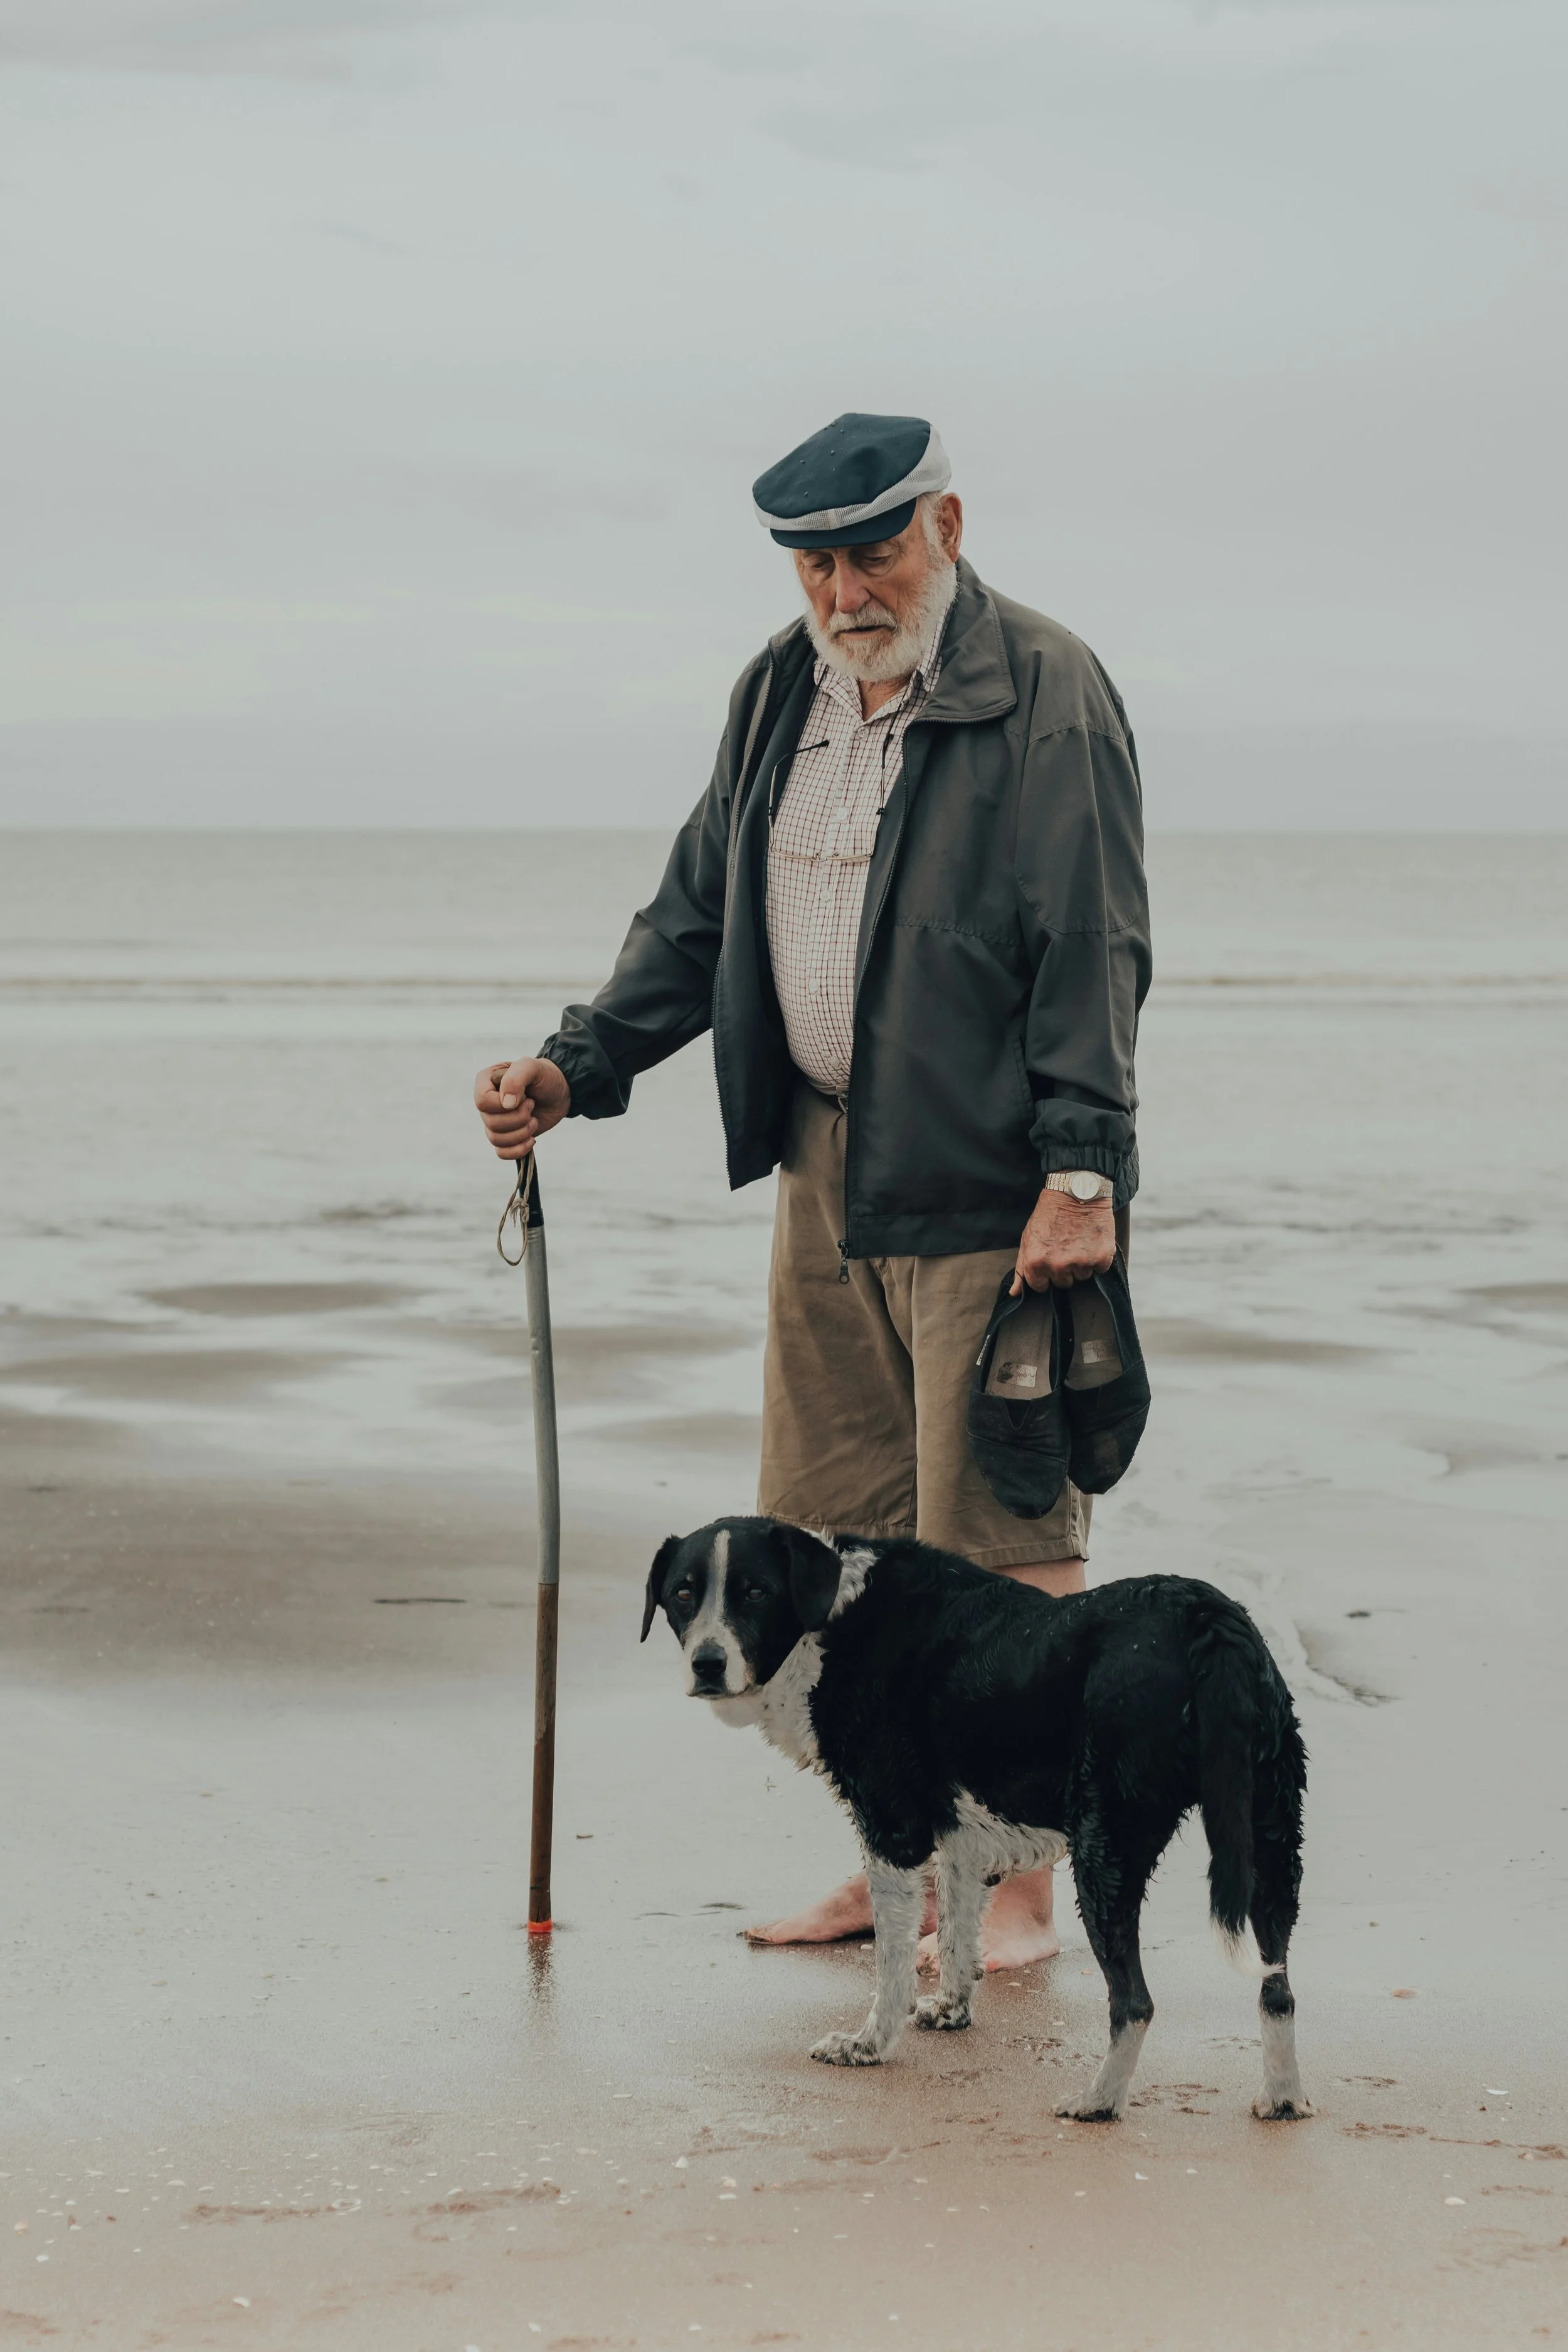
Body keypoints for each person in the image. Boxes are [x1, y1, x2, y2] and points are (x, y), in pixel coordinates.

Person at [475, 413, 1151, 1971]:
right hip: (822, 1161)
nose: (846, 588)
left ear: (947, 526)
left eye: (874, 549)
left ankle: (1026, 1891)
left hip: (993, 1176)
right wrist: (576, 1067)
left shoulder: (1042, 685)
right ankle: (894, 1858)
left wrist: (1082, 1171)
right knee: (834, 1536)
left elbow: (1091, 942)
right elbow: (699, 907)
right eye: (817, 560)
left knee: (999, 1531)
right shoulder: (779, 691)